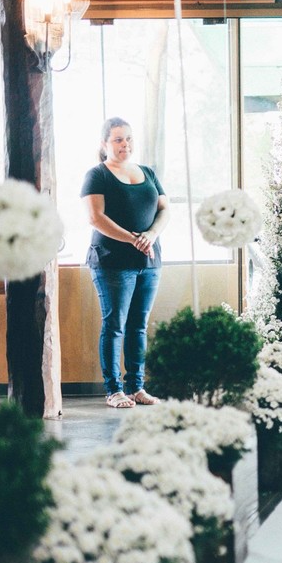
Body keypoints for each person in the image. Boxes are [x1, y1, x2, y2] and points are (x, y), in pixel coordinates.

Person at [81, 118, 169, 409]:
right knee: (115, 324)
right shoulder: (97, 175)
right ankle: (114, 390)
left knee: (138, 326)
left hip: (149, 260)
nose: (125, 144)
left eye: (128, 139)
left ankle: (137, 387)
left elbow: (164, 209)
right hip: (112, 262)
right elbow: (96, 218)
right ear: (104, 143)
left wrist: (151, 234)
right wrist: (133, 239)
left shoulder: (147, 173)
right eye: (118, 139)